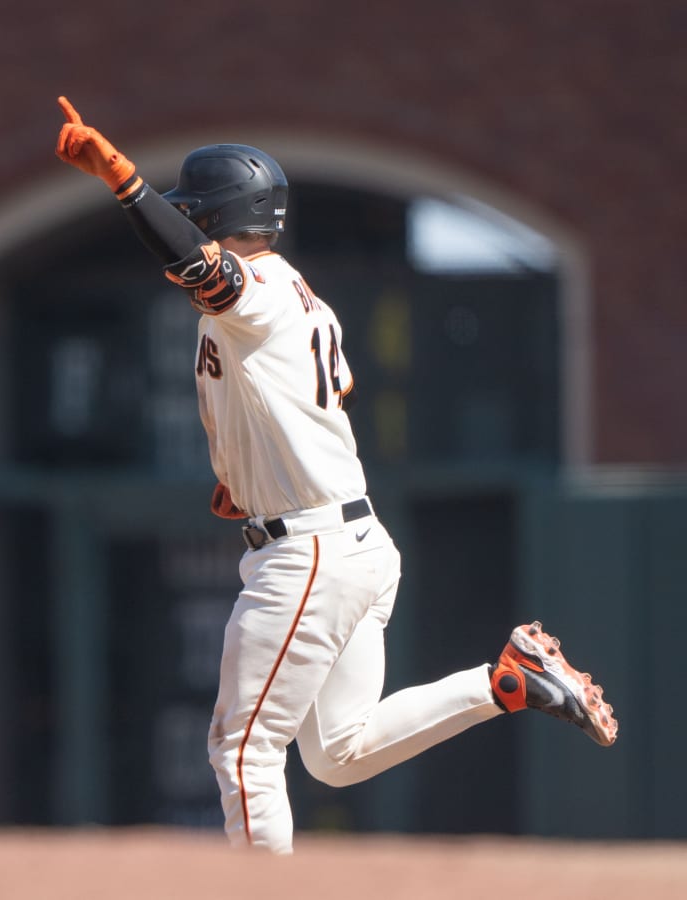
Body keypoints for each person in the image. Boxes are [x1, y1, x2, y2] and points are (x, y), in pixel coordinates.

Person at [53, 97, 618, 854]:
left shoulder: (255, 293)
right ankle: (507, 681)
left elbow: (194, 264)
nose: (188, 221)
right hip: (346, 540)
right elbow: (310, 404)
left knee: (243, 751)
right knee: (339, 752)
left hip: (309, 552)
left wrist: (122, 179)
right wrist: (251, 474)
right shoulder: (293, 301)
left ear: (218, 215)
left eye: (195, 211)